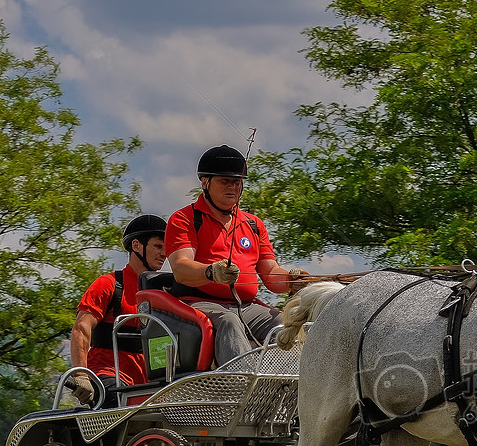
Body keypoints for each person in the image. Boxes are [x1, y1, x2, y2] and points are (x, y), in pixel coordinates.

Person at [164, 145, 303, 366]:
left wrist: (292, 281)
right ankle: (241, 383)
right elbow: (181, 269)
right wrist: (212, 272)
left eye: (237, 182)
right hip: (198, 302)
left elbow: (270, 273)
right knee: (228, 321)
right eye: (224, 181)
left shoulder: (253, 224)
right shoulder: (184, 219)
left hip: (246, 306)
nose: (232, 187)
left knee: (284, 322)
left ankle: (289, 384)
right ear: (205, 182)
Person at [69, 214, 168, 405]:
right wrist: (81, 375)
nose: (164, 253)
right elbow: (81, 329)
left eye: (166, 247)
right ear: (136, 245)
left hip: (148, 384)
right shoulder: (108, 285)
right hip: (107, 376)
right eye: (158, 246)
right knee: (116, 400)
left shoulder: (164, 294)